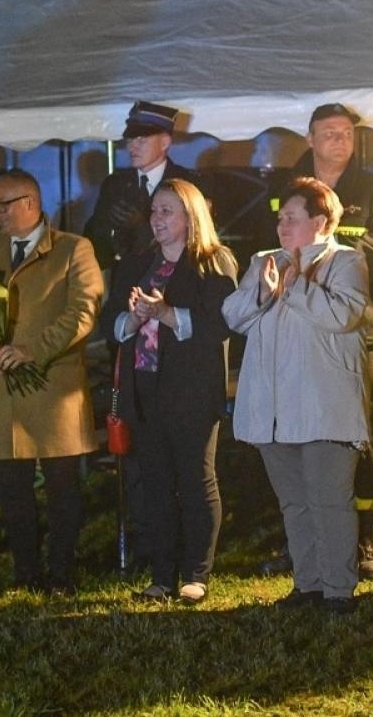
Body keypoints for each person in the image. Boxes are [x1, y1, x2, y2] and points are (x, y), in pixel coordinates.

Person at [225, 177, 369, 614]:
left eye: (292, 218)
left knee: (329, 499)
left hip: (324, 405)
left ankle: (338, 590)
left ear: (320, 222)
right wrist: (265, 292)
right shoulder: (263, 262)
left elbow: (342, 315)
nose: (282, 226)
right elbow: (233, 315)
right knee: (295, 502)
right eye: (280, 219)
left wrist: (295, 286)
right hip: (273, 410)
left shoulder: (347, 261)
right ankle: (307, 585)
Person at [101, 179, 238, 605]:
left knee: (196, 477)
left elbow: (219, 324)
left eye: (167, 212)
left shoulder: (214, 262)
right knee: (154, 481)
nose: (157, 220)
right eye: (154, 211)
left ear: (190, 216)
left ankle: (196, 572)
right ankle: (162, 574)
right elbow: (112, 323)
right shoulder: (139, 262)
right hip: (145, 386)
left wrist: (165, 313)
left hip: (192, 389)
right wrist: (135, 319)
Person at [0, 169, 104, 595]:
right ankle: (25, 573)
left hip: (53, 389)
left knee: (62, 487)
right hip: (3, 390)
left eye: (3, 205)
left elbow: (83, 311)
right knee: (12, 490)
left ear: (31, 202)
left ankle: (61, 573)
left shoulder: (73, 249)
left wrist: (35, 351)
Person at [290, 103, 373, 580]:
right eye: (328, 132)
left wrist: (327, 258)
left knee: (366, 433)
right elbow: (279, 243)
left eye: (345, 132)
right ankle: (312, 537)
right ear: (310, 138)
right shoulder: (288, 188)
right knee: (306, 433)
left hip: (359, 329)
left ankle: (372, 537)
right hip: (302, 329)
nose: (338, 139)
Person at [84, 101, 201, 270]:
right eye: (131, 139)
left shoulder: (187, 184)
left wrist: (141, 227)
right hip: (123, 281)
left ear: (164, 143)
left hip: (170, 281)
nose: (133, 145)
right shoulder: (115, 184)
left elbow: (196, 239)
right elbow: (93, 241)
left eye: (142, 139)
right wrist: (108, 227)